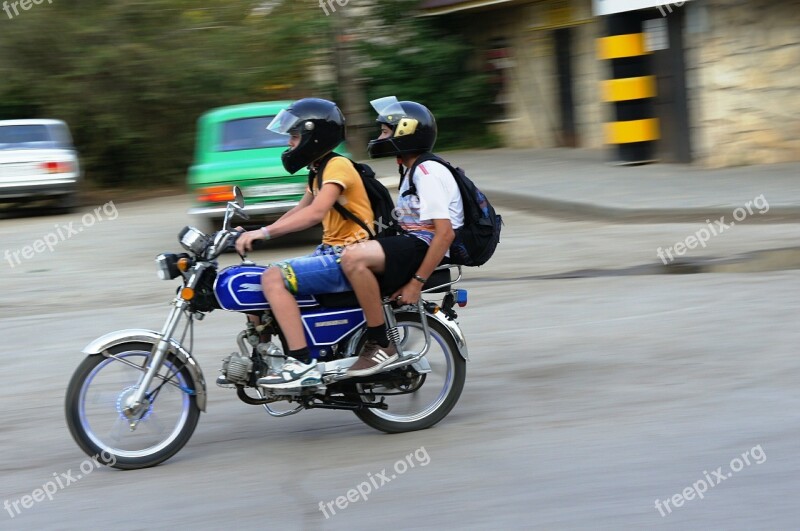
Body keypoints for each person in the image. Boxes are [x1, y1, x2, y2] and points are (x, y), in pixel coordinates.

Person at [234, 98, 373, 389]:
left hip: (348, 255)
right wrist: (256, 230)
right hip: (331, 251)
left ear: (315, 136)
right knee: (257, 280)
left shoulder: (338, 166)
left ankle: (301, 363)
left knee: (273, 278)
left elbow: (315, 213)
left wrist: (265, 235)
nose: (290, 144)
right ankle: (266, 353)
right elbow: (298, 209)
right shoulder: (318, 169)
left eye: (295, 137)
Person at [339, 97, 464, 377]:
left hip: (424, 247)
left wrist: (416, 284)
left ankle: (382, 344)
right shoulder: (413, 169)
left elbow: (444, 234)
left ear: (406, 132)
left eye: (385, 131)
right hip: (414, 244)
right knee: (346, 255)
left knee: (354, 259)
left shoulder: (427, 172)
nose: (379, 137)